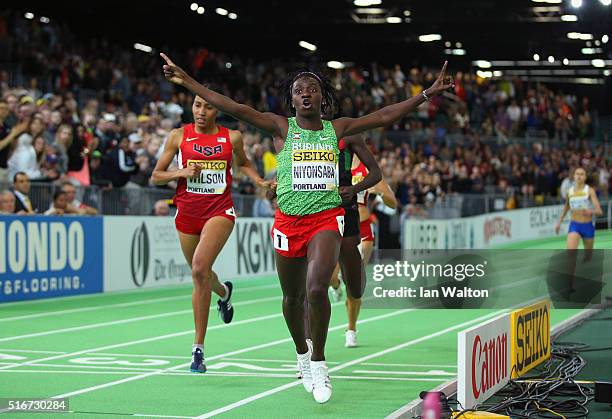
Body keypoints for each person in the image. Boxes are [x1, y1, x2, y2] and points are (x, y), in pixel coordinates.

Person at [160, 53, 452, 403]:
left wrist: (426, 94)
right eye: (299, 91)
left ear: (322, 97)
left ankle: (319, 362)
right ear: (293, 100)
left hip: (327, 218)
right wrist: (188, 81)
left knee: (317, 289)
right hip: (288, 221)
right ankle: (301, 351)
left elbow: (384, 115)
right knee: (292, 298)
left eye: (312, 89)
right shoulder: (282, 127)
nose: (306, 95)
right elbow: (234, 107)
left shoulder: (337, 129)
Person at [151, 94, 270, 374]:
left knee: (199, 268)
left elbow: (244, 164)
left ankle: (198, 350)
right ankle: (225, 292)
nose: (201, 111)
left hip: (219, 210)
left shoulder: (233, 138)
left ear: (218, 110)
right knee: (202, 275)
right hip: (187, 213)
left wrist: (260, 181)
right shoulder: (178, 136)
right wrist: (181, 172)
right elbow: (156, 175)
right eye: (197, 105)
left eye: (208, 106)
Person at [329, 151, 398, 348]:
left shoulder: (368, 168)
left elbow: (393, 203)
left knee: (355, 282)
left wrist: (381, 192)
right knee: (331, 278)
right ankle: (335, 285)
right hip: (335, 225)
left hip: (362, 229)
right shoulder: (332, 158)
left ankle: (351, 329)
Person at [555, 167, 603, 290]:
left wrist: (590, 211)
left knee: (588, 256)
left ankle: (586, 263)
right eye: (577, 174)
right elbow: (566, 208)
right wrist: (559, 222)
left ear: (585, 177)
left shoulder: (589, 191)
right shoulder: (570, 192)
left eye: (582, 174)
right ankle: (569, 283)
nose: (579, 176)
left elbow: (599, 211)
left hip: (587, 227)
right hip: (574, 225)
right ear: (574, 176)